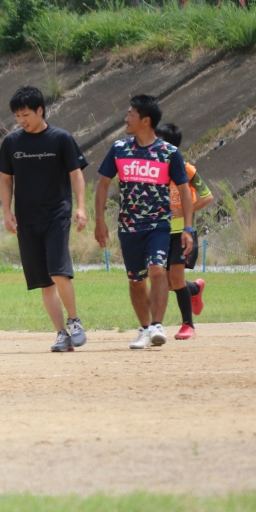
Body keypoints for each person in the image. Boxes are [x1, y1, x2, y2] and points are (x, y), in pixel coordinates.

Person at [94, 95, 194, 350]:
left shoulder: (169, 153)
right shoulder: (119, 148)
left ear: (145, 120)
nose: (126, 118)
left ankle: (158, 326)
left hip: (158, 226)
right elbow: (103, 185)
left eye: (131, 114)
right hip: (128, 228)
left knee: (157, 270)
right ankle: (145, 329)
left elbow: (184, 191)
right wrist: (99, 221)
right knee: (136, 281)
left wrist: (188, 228)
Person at [0, 85, 90, 353]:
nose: (21, 120)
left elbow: (76, 174)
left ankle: (74, 321)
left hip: (56, 215)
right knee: (44, 282)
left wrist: (81, 207)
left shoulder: (61, 139)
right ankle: (61, 334)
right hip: (27, 219)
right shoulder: (12, 142)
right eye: (17, 116)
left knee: (58, 272)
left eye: (26, 114)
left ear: (40, 110)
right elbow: (6, 179)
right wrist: (6, 211)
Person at [155, 123, 212, 340]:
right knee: (168, 282)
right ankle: (195, 289)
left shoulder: (187, 170)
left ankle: (188, 325)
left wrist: (184, 209)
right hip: (161, 233)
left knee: (176, 277)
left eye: (159, 141)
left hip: (181, 233)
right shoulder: (155, 169)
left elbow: (207, 196)